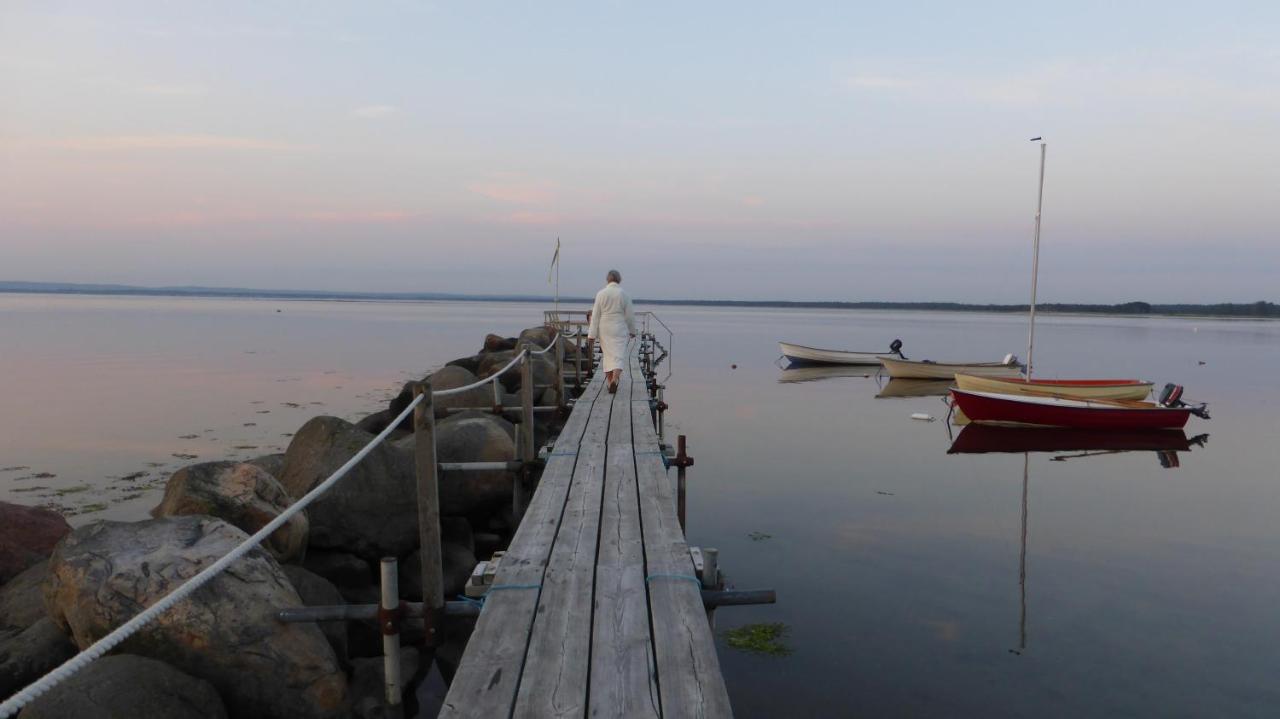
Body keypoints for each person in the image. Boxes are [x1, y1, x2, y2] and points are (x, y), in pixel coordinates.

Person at [586, 269, 636, 393]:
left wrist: (591, 334)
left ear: (607, 280)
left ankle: (609, 383)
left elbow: (595, 315)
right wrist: (632, 330)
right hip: (619, 327)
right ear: (619, 280)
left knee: (607, 356)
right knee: (618, 355)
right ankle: (614, 379)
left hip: (605, 328)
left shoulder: (601, 294)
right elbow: (629, 316)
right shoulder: (624, 294)